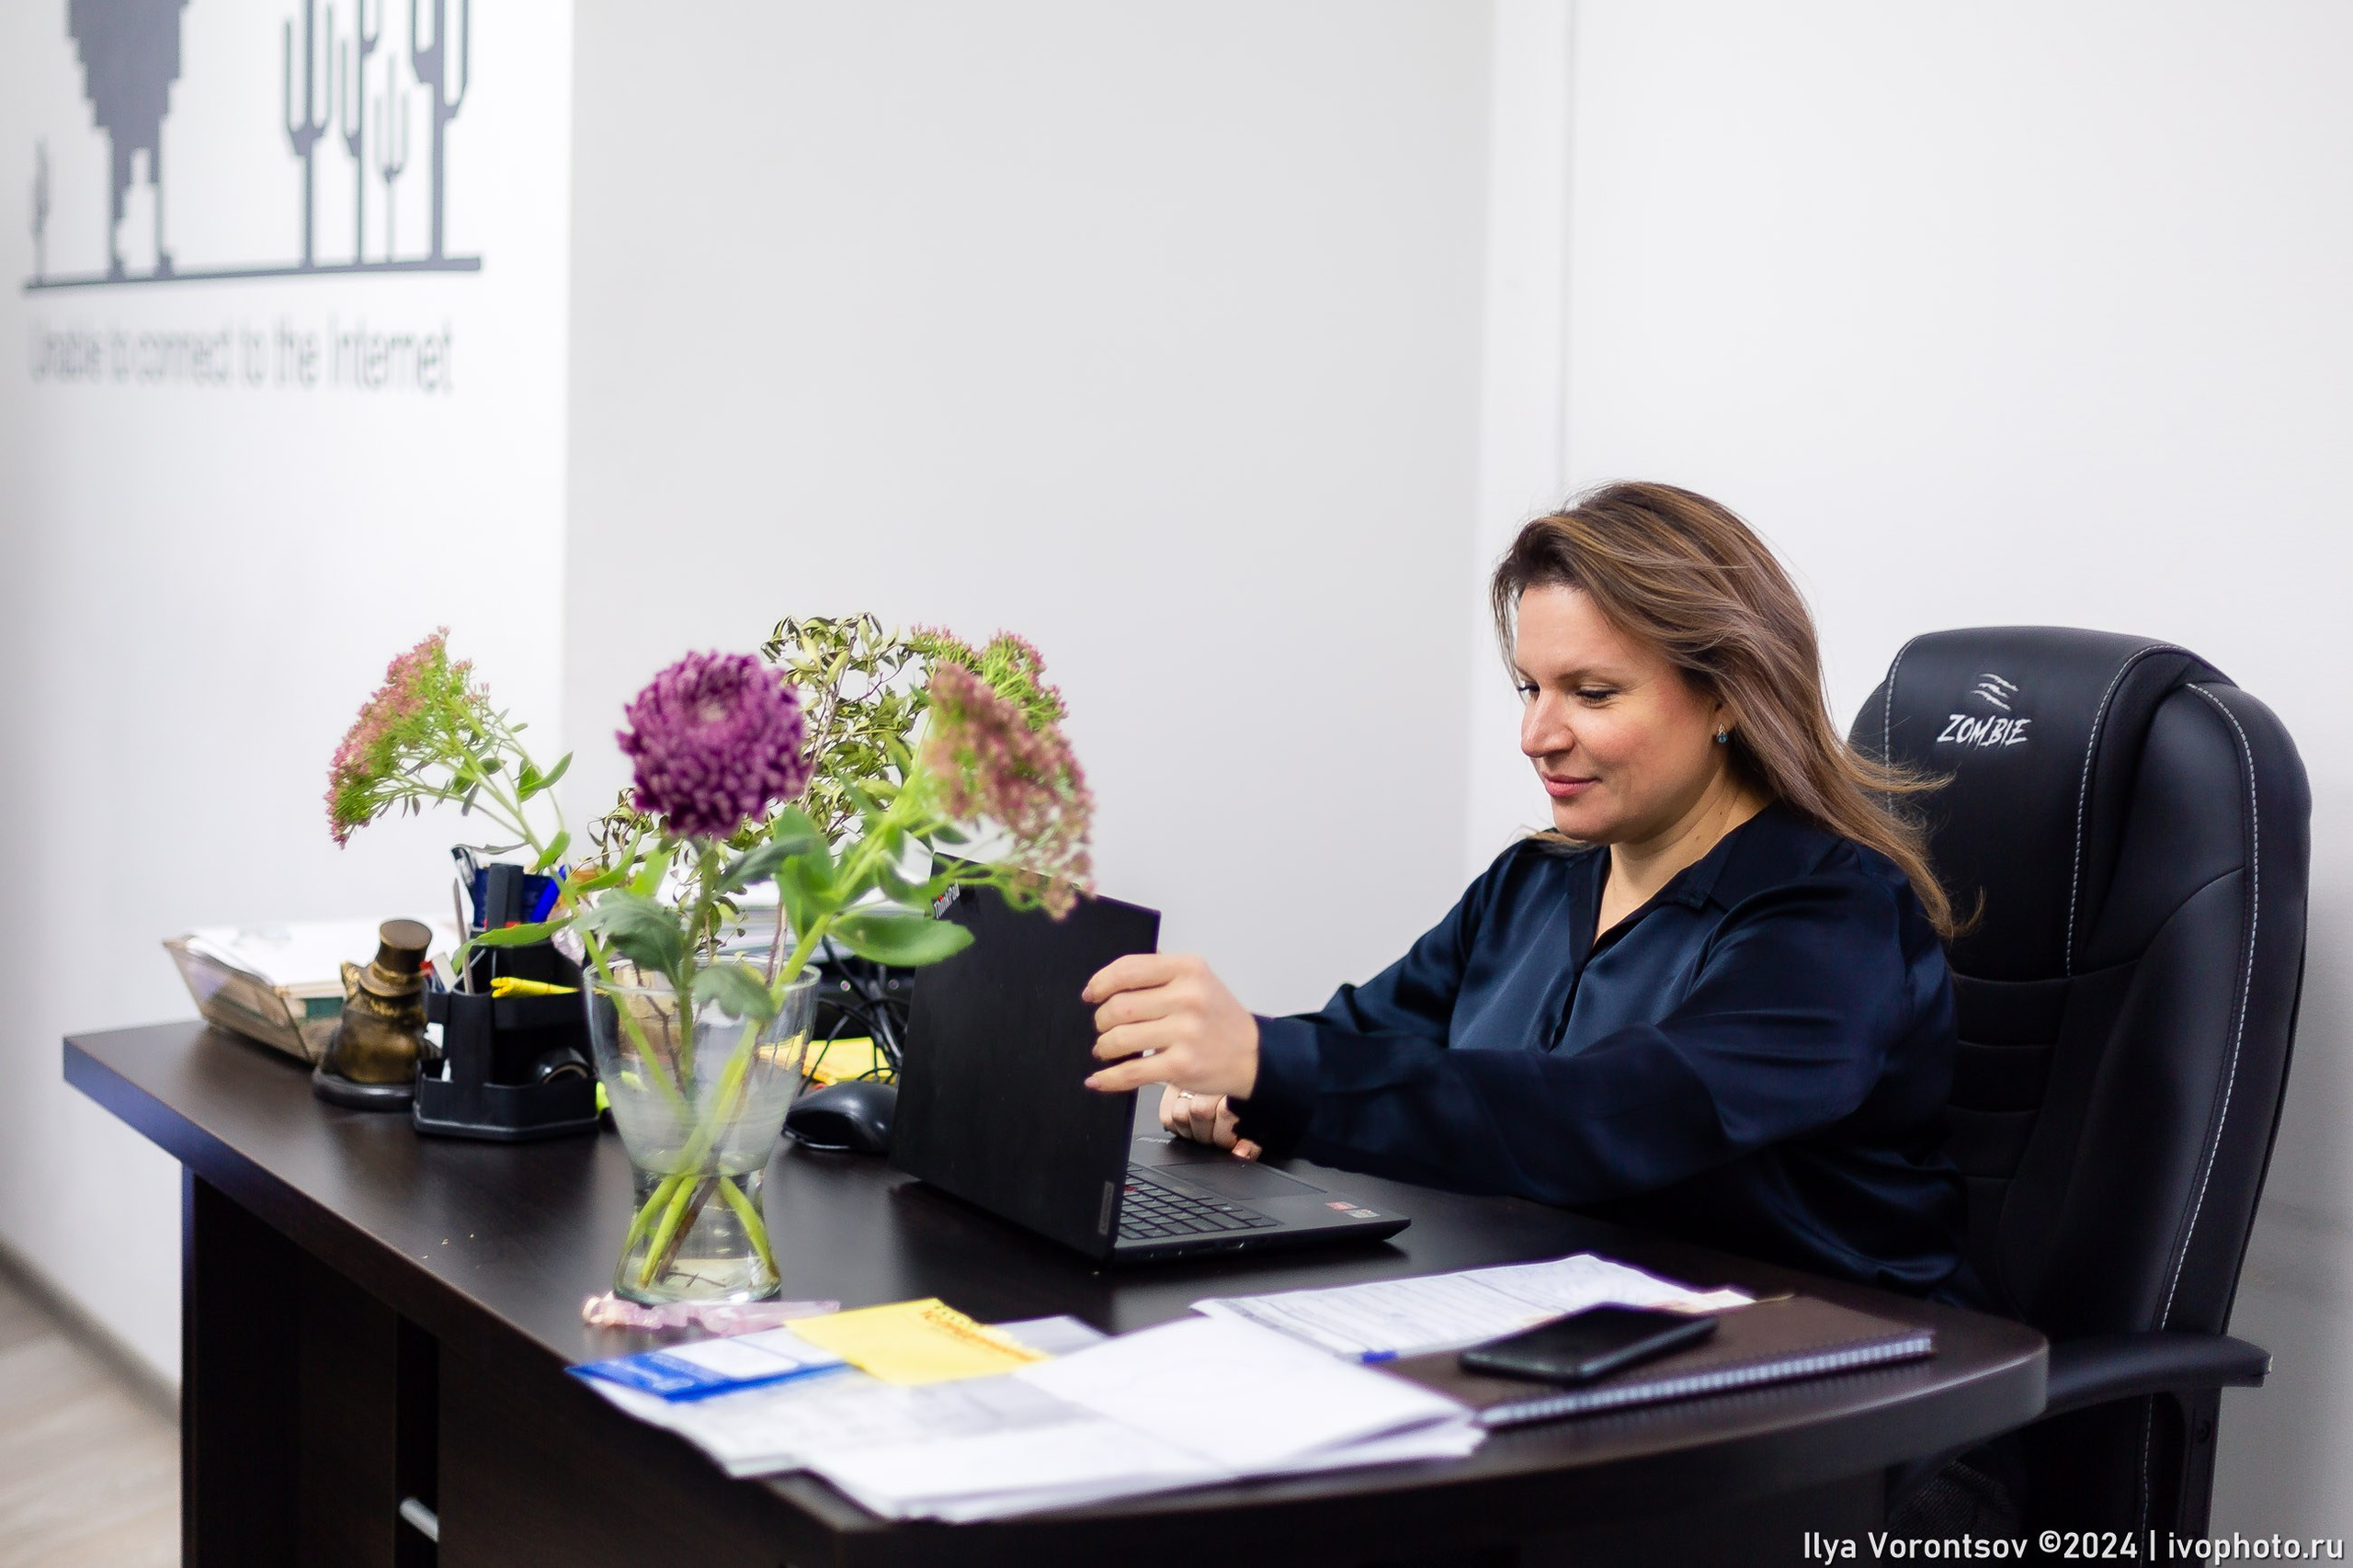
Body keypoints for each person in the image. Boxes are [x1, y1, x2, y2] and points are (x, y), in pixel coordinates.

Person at [1080, 480, 1973, 1302]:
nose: (1535, 734)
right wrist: (1244, 1081)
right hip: (1570, 1327)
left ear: (1724, 697)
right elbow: (1371, 1038)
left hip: (1835, 1393)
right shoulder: (1534, 881)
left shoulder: (1830, 922)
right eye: (1529, 687)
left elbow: (1604, 1114)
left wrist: (1271, 1065)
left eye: (1590, 692)